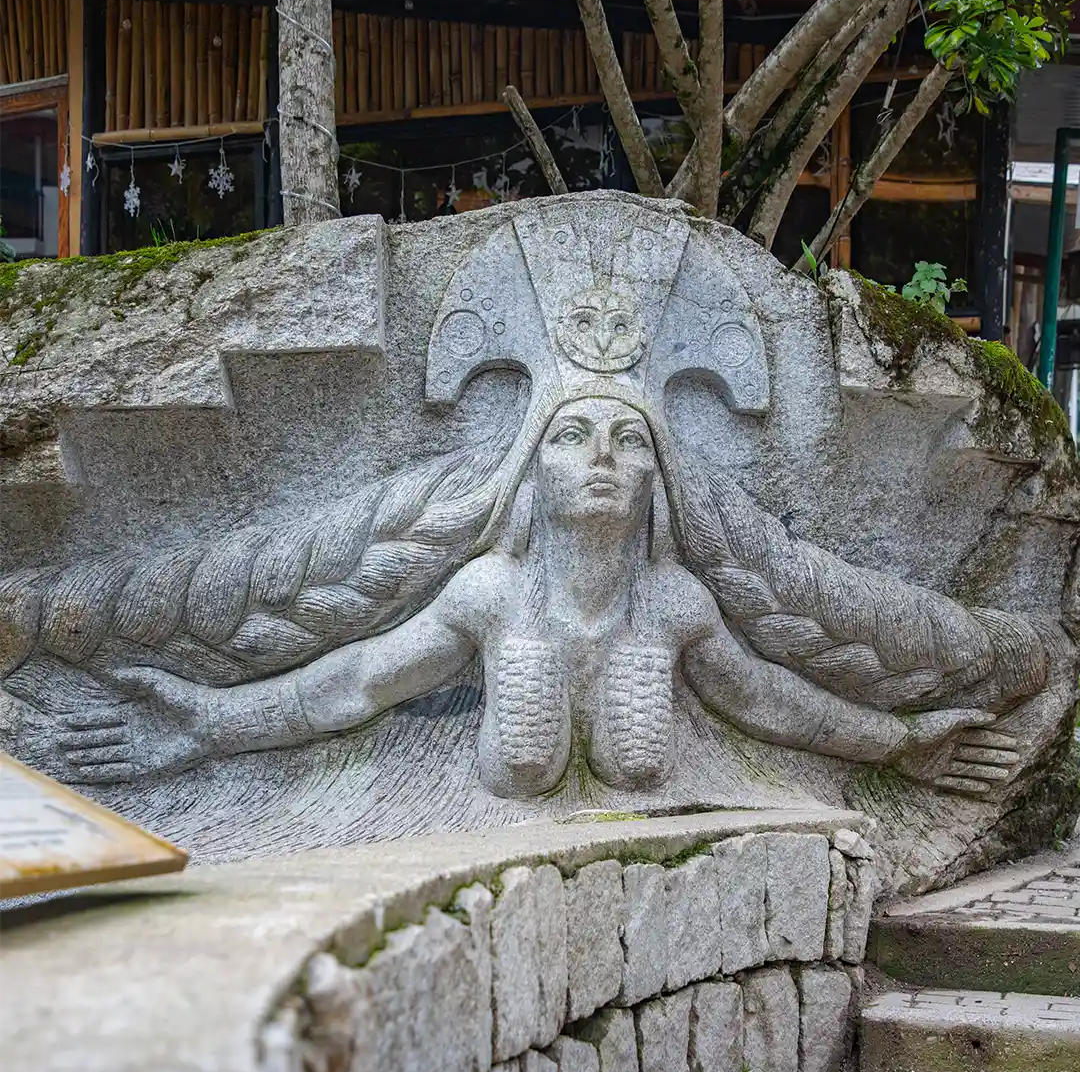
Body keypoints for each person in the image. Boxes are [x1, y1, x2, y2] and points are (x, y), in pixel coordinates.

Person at [48, 384, 1018, 799]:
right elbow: (348, 683)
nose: (601, 456)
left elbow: (773, 700)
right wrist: (207, 723)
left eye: (628, 439)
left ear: (657, 478)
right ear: (530, 471)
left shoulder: (676, 607)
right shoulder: (489, 595)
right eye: (570, 436)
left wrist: (901, 743)